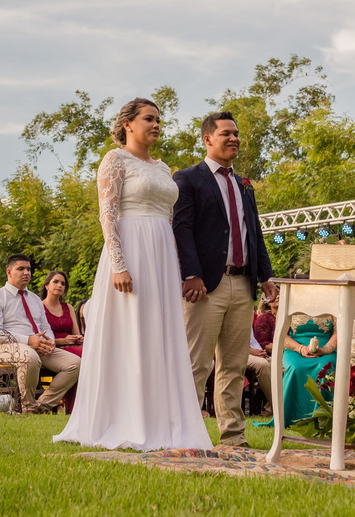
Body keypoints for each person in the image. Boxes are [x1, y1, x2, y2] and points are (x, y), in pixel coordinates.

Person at [56, 98, 210, 450]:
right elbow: (107, 213)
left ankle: (162, 420)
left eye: (158, 120)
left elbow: (170, 220)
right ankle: (124, 418)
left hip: (161, 255)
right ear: (128, 124)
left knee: (160, 333)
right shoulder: (114, 160)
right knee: (130, 331)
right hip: (130, 252)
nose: (156, 125)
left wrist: (178, 266)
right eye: (149, 119)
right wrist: (118, 264)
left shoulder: (163, 167)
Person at [172, 110, 278, 447]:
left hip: (243, 284)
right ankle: (186, 434)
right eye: (226, 134)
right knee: (197, 364)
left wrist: (266, 275)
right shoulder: (187, 179)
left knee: (233, 366)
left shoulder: (244, 184)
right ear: (207, 139)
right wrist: (191, 274)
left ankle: (233, 436)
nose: (234, 138)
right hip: (204, 287)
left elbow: (254, 232)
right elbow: (181, 228)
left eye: (236, 134)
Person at [0, 255, 80, 414]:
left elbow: (45, 326)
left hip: (38, 346)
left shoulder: (35, 299)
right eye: (21, 269)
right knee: (30, 357)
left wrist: (50, 341)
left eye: (28, 269)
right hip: (4, 348)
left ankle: (41, 406)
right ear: (9, 272)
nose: (26, 273)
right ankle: (28, 406)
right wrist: (29, 340)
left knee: (75, 364)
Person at [41, 270, 83, 412]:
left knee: (90, 352)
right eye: (56, 282)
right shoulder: (39, 307)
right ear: (47, 285)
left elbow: (76, 334)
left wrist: (78, 338)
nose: (60, 285)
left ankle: (84, 404)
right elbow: (40, 337)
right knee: (82, 355)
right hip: (53, 349)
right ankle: (73, 405)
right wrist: (62, 340)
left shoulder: (68, 307)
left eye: (63, 284)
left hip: (72, 346)